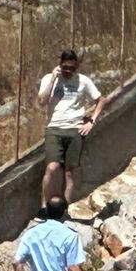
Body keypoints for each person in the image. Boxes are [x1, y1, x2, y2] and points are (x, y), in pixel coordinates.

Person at [38, 50, 107, 208]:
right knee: (52, 167)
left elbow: (101, 100)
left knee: (70, 172)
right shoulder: (50, 78)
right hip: (54, 128)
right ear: (59, 65)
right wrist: (54, 78)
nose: (68, 71)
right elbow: (41, 101)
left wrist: (91, 121)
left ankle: (64, 209)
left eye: (72, 68)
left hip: (75, 129)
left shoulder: (83, 81)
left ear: (77, 67)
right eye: (65, 67)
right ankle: (43, 206)